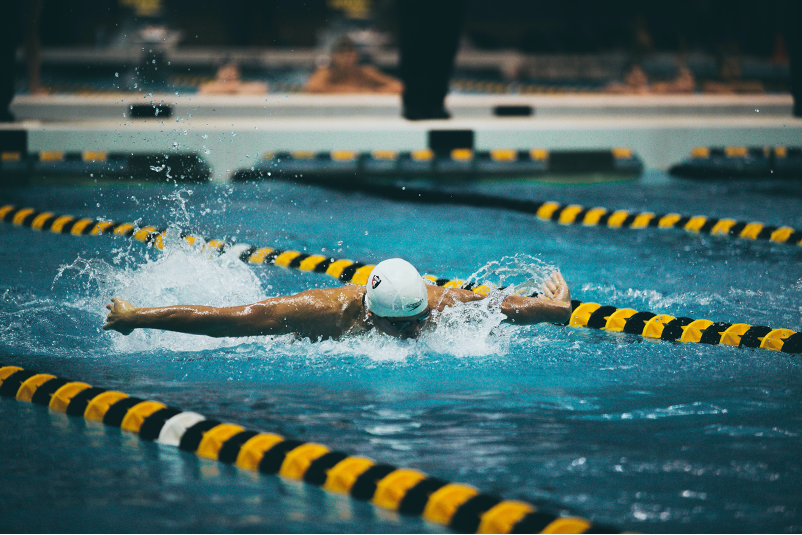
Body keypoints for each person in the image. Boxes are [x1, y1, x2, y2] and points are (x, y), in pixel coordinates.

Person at [103, 258, 571, 341]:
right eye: (400, 327)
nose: (413, 334)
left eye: (418, 323)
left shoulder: (434, 305)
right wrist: (137, 316)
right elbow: (230, 319)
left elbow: (498, 306)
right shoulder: (324, 313)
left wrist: (555, 309)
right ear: (371, 312)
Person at [305, 37, 402, 94]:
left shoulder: (365, 72)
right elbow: (312, 87)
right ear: (333, 56)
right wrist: (356, 91)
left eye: (350, 53)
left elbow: (398, 86)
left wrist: (373, 92)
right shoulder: (326, 72)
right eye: (342, 53)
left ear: (357, 56)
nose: (346, 58)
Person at [198, 61, 268, 95]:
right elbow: (203, 89)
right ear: (219, 73)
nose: (230, 74)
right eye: (227, 71)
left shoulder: (240, 85)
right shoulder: (209, 86)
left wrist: (234, 88)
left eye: (233, 71)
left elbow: (262, 88)